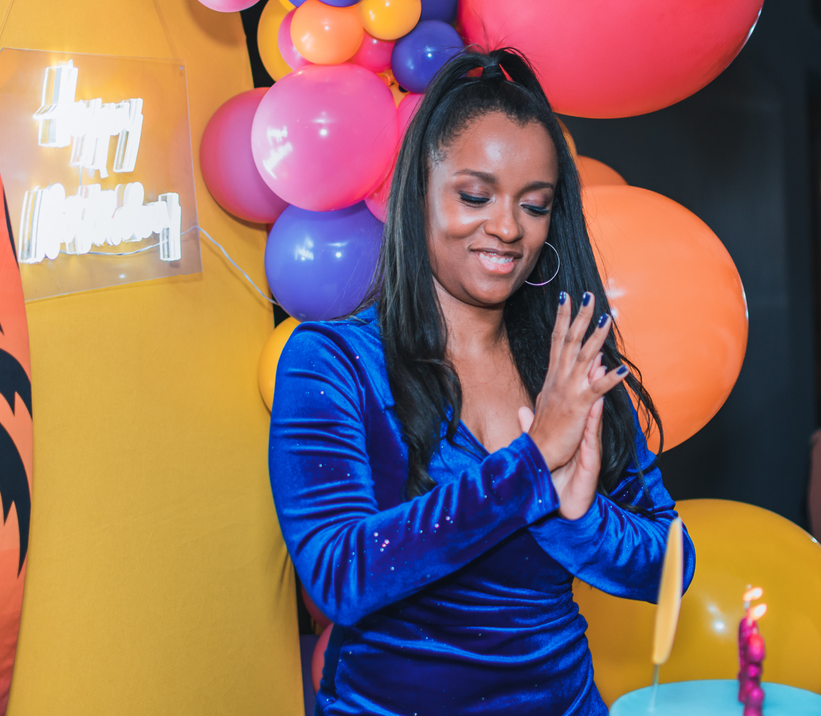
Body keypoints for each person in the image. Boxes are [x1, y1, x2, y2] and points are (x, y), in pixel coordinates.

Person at [268, 47, 697, 716]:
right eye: (475, 195)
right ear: (418, 195)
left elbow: (670, 563)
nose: (505, 228)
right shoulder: (331, 361)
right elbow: (338, 577)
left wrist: (575, 512)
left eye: (534, 206)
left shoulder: (568, 362)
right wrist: (527, 470)